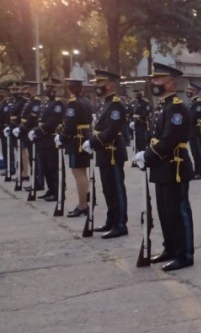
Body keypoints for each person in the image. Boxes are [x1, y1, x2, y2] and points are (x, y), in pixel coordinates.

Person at [133, 63, 195, 271]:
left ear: (170, 82)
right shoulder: (162, 106)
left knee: (178, 211)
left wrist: (148, 156)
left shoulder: (177, 107)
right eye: (153, 79)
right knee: (165, 212)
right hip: (161, 166)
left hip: (174, 166)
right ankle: (170, 248)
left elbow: (169, 140)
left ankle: (184, 254)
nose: (154, 83)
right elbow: (154, 136)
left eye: (158, 79)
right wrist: (146, 154)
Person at [83, 70, 129, 239]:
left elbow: (111, 130)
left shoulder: (116, 105)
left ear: (110, 85)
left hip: (113, 152)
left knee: (116, 189)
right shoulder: (106, 103)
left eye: (100, 83)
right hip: (104, 151)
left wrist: (93, 142)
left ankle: (120, 224)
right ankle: (111, 220)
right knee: (108, 189)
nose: (97, 86)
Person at [57, 78, 93, 217]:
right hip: (85, 136)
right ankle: (85, 201)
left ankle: (82, 205)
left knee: (78, 173)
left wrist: (62, 137)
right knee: (82, 172)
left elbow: (70, 124)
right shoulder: (86, 101)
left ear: (69, 89)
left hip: (77, 139)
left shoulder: (73, 103)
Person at [28, 78, 65, 201]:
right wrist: (35, 130)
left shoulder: (58, 104)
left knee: (53, 167)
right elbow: (39, 119)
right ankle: (51, 189)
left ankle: (58, 191)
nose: (48, 89)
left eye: (51, 87)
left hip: (51, 137)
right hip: (43, 138)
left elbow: (53, 121)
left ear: (56, 89)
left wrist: (38, 131)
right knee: (45, 167)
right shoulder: (46, 102)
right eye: (47, 87)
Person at [15, 81, 42, 191]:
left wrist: (23, 127)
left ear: (32, 89)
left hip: (31, 131)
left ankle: (38, 182)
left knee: (35, 158)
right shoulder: (29, 101)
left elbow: (32, 117)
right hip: (26, 131)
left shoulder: (36, 101)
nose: (24, 91)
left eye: (26, 89)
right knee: (32, 157)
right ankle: (35, 181)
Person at [186, 82, 201, 179]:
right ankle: (198, 170)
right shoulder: (193, 102)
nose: (188, 92)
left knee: (197, 152)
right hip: (191, 130)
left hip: (194, 130)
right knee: (195, 152)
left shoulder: (198, 103)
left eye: (190, 90)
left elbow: (193, 117)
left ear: (195, 91)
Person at [129, 88, 152, 159]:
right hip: (135, 126)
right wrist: (132, 120)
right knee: (136, 143)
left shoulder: (145, 103)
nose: (136, 95)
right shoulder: (134, 103)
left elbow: (145, 115)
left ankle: (143, 158)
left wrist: (136, 118)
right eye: (135, 94)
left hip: (142, 126)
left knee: (142, 143)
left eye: (137, 93)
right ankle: (137, 157)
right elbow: (130, 113)